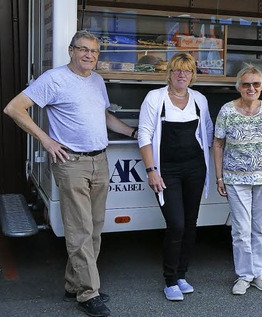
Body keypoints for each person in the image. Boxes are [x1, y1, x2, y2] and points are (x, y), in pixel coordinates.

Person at [3, 30, 137, 317]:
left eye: (94, 51)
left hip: (100, 160)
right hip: (71, 163)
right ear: (71, 50)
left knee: (95, 228)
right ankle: (89, 293)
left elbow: (104, 116)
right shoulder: (54, 79)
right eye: (83, 49)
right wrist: (46, 140)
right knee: (80, 230)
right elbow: (14, 108)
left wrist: (132, 132)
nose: (89, 55)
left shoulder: (97, 80)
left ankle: (74, 285)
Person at [137, 53, 214, 301]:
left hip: (194, 168)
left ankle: (182, 275)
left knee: (190, 224)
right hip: (166, 170)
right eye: (177, 70)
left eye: (187, 71)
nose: (182, 75)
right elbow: (144, 136)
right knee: (176, 224)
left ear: (192, 75)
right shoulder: (155, 98)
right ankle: (169, 280)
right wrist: (152, 171)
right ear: (169, 73)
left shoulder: (199, 100)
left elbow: (210, 134)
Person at [213, 65, 262, 295]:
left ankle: (258, 273)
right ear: (239, 86)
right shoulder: (227, 111)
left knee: (259, 229)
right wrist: (219, 176)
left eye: (256, 84)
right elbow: (218, 145)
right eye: (246, 84)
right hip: (236, 179)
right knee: (241, 229)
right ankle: (244, 275)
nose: (251, 88)